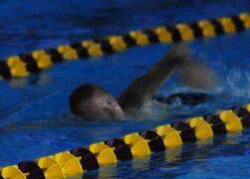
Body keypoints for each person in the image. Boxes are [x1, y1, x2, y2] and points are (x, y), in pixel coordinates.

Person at [68, 44, 217, 121]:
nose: (112, 111)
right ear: (90, 119)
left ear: (112, 96)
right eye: (102, 112)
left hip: (194, 102)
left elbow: (175, 55)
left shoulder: (135, 99)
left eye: (109, 102)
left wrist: (186, 64)